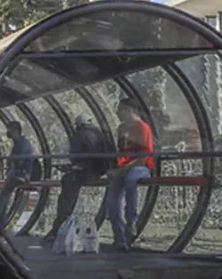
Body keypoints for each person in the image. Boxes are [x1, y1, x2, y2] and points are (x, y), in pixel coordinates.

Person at [44, 113, 115, 242]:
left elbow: (79, 156)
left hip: (86, 171)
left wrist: (76, 166)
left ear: (78, 125)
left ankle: (59, 225)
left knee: (67, 186)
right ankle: (61, 225)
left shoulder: (81, 134)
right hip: (101, 171)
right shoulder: (101, 134)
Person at [105, 98, 154, 250]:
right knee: (112, 200)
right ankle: (120, 238)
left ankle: (131, 220)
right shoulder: (121, 128)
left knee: (131, 179)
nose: (117, 113)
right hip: (124, 168)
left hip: (141, 167)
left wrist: (121, 169)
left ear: (129, 110)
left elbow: (143, 157)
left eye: (120, 110)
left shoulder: (142, 127)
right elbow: (121, 153)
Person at [0, 120, 35, 231]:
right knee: (3, 194)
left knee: (3, 195)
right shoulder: (19, 144)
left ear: (16, 131)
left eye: (10, 130)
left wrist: (13, 166)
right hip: (19, 174)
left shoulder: (23, 145)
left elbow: (19, 162)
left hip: (22, 175)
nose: (8, 133)